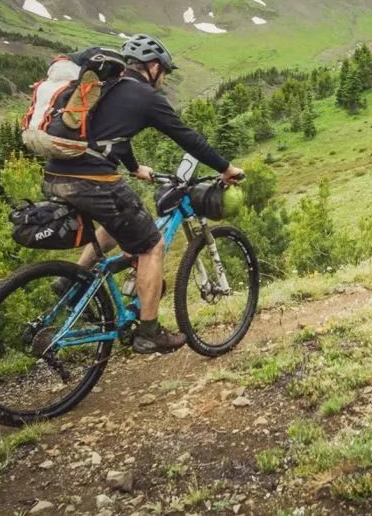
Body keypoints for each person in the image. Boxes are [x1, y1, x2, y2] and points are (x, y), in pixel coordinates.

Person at [42, 34, 244, 354]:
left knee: (113, 226)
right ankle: (149, 332)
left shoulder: (107, 86)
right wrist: (226, 168)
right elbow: (188, 138)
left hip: (56, 173)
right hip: (91, 180)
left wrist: (135, 167)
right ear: (152, 67)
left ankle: (72, 281)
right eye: (163, 72)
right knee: (152, 245)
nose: (163, 79)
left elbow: (110, 135)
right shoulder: (145, 96)